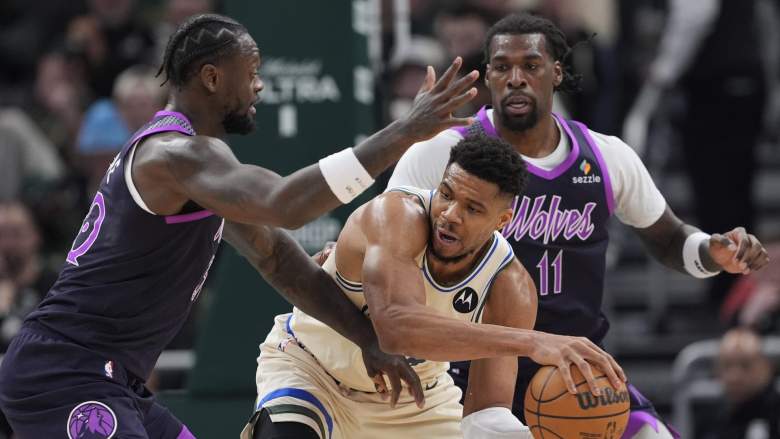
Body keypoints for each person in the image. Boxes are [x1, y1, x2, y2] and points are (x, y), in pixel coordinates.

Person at [0, 13, 479, 439]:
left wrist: (368, 339)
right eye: (250, 74)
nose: (259, 87)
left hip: (111, 376)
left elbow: (278, 258)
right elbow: (285, 204)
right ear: (212, 78)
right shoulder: (175, 155)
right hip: (65, 371)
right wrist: (404, 132)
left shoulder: (199, 168)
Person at [386, 12, 770, 439]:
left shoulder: (606, 156)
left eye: (530, 65)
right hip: (470, 373)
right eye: (502, 67)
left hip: (577, 369)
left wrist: (711, 253)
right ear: (488, 76)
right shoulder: (442, 153)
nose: (516, 78)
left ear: (556, 73)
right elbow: (387, 251)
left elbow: (669, 239)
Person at [247, 134, 624, 439]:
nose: (450, 215)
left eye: (472, 209)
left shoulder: (510, 285)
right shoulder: (395, 215)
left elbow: (485, 417)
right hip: (313, 371)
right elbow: (394, 329)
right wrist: (531, 341)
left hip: (415, 400)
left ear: (502, 221)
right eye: (446, 194)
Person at [697, 328, 780, 439]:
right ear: (717, 370)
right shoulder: (711, 418)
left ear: (765, 368)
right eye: (727, 365)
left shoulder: (775, 414)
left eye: (745, 365)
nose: (735, 377)